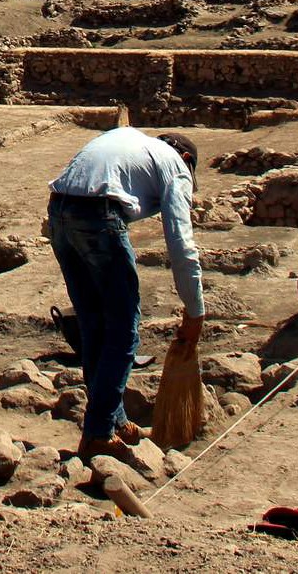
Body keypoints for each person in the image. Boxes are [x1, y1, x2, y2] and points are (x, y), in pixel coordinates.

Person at [48, 127, 204, 460]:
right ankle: (99, 433)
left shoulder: (129, 139)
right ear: (187, 159)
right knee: (123, 330)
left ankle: (114, 420)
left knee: (94, 326)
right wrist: (195, 311)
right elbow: (181, 244)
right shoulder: (176, 165)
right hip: (97, 215)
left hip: (59, 211)